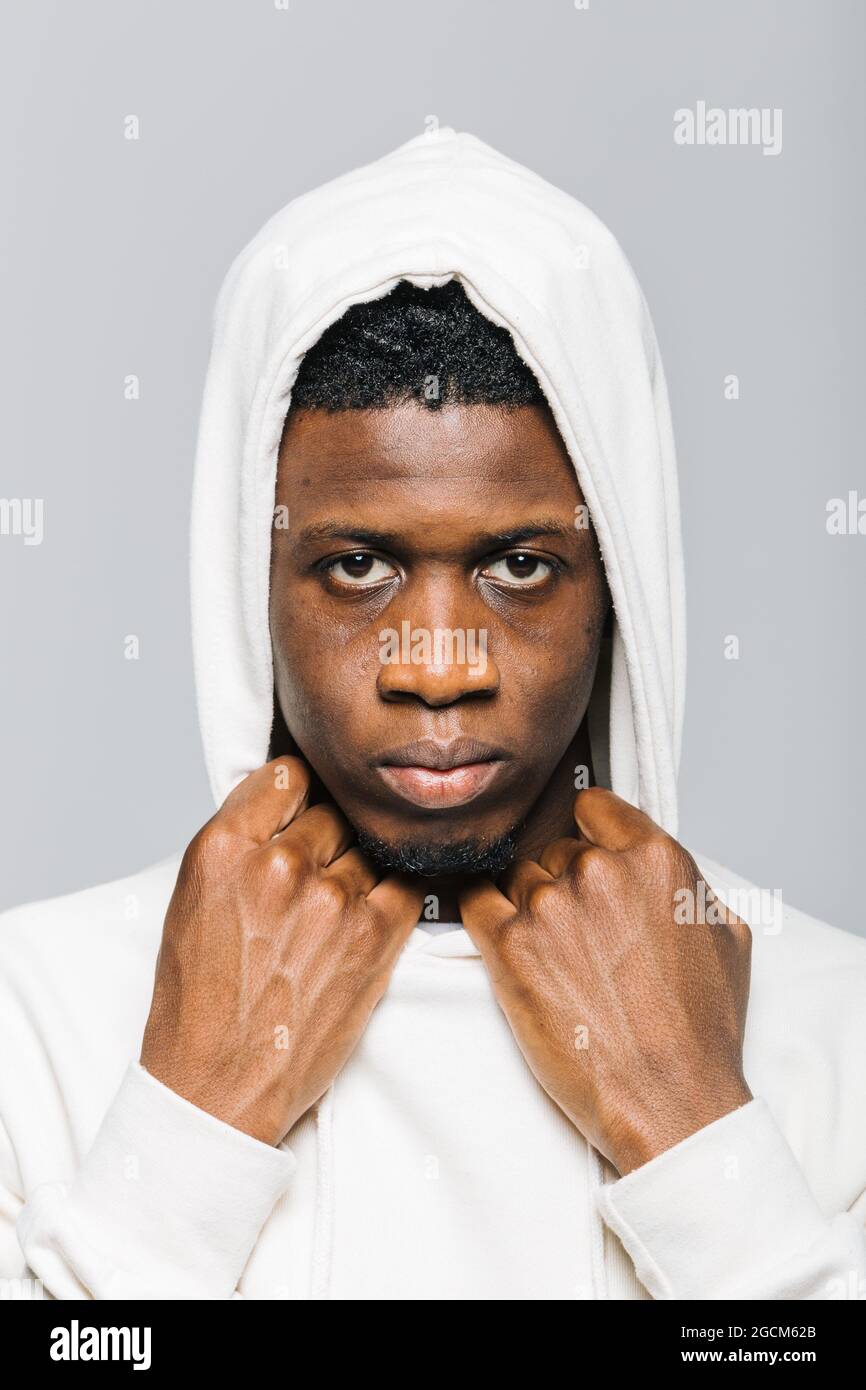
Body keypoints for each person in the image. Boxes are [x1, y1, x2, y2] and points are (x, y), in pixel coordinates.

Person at [2, 129, 865, 1301]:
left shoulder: (836, 1032)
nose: (440, 665)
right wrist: (191, 1127)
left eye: (518, 565)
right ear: (245, 577)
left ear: (622, 584)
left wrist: (695, 1135)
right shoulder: (33, 1014)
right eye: (357, 566)